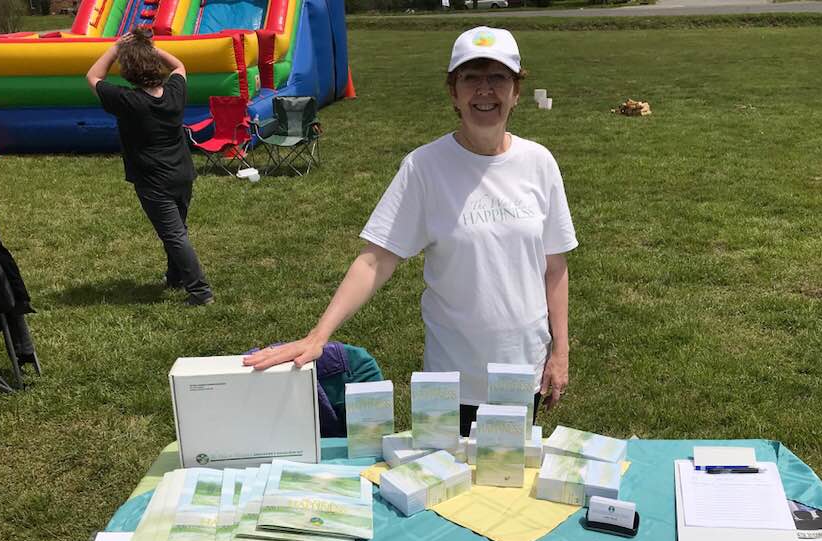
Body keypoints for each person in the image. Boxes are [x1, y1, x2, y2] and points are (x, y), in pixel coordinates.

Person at [244, 27, 577, 436]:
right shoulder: (424, 168)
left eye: (498, 77)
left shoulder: (539, 163)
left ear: (516, 92)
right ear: (454, 93)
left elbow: (554, 266)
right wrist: (318, 336)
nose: (485, 90)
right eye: (471, 77)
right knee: (446, 475)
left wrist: (560, 351)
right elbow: (376, 260)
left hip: (522, 372)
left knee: (508, 472)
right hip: (452, 380)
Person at [86, 29, 214, 307]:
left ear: (129, 73)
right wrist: (150, 49)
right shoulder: (174, 92)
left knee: (174, 234)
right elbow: (179, 66)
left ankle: (200, 290)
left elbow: (93, 76)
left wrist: (117, 47)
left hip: (153, 180)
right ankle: (176, 277)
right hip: (182, 173)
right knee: (177, 229)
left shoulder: (128, 101)